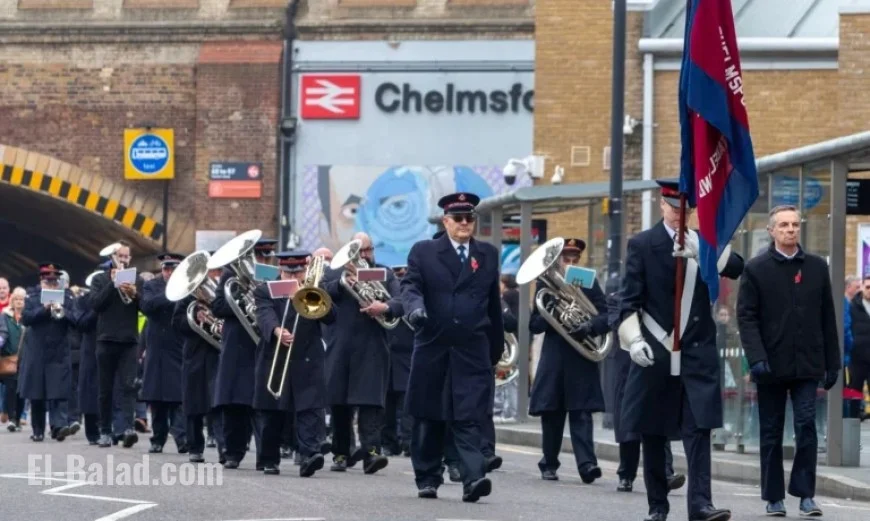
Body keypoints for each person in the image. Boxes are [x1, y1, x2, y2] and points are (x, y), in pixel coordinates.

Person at [615, 179, 743, 521]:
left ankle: (700, 504)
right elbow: (628, 302)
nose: (678, 214)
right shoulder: (643, 244)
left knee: (699, 430)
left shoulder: (704, 243)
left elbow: (737, 266)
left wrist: (705, 252)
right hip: (655, 352)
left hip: (696, 352)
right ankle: (658, 505)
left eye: (684, 208)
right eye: (672, 207)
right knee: (653, 432)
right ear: (661, 204)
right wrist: (634, 339)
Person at [736, 204, 839, 517]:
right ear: (772, 231)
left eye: (795, 224)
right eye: (783, 225)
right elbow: (746, 317)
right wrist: (756, 359)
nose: (790, 230)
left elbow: (827, 317)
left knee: (807, 426)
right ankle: (773, 497)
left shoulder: (817, 267)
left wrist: (832, 363)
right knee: (771, 431)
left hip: (807, 364)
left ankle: (806, 494)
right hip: (771, 365)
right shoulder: (756, 268)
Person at [401, 191, 504, 502]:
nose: (464, 223)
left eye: (469, 218)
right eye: (458, 218)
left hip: (472, 348)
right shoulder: (424, 251)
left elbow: (492, 306)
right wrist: (414, 308)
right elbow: (411, 286)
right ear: (445, 221)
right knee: (429, 416)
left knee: (470, 416)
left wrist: (494, 350)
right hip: (434, 345)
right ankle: (428, 477)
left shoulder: (487, 254)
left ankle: (473, 479)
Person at [529, 238, 609, 483]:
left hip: (580, 357)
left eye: (575, 258)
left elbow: (605, 314)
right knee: (551, 413)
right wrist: (551, 308)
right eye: (566, 258)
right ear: (558, 260)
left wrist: (589, 326)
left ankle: (587, 465)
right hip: (555, 357)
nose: (571, 262)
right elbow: (535, 324)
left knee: (581, 413)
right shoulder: (545, 283)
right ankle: (549, 463)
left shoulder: (588, 280)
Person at [323, 232, 400, 474]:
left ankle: (372, 454)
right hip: (340, 346)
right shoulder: (335, 272)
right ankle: (340, 453)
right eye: (360, 251)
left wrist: (384, 306)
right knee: (339, 403)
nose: (365, 255)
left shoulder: (385, 273)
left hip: (373, 346)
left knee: (371, 404)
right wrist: (343, 283)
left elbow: (401, 301)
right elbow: (321, 294)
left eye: (368, 250)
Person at [253, 250, 334, 477]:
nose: (293, 277)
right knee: (272, 411)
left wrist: (308, 296)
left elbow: (331, 316)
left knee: (309, 407)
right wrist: (277, 331)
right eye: (289, 272)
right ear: (280, 270)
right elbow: (264, 314)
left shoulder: (315, 288)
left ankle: (310, 456)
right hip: (276, 354)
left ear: (305, 270)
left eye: (297, 271)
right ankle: (269, 458)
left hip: (308, 356)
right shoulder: (265, 289)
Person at [86, 241, 141, 448]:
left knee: (129, 386)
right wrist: (113, 284)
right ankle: (106, 431)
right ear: (112, 257)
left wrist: (134, 293)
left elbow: (143, 305)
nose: (123, 260)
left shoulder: (136, 279)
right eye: (120, 256)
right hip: (106, 339)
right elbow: (96, 304)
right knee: (105, 389)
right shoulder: (100, 279)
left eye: (127, 257)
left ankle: (128, 428)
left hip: (129, 341)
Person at [19, 263, 77, 442]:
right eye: (48, 281)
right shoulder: (32, 295)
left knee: (58, 391)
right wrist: (44, 309)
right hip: (37, 350)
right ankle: (38, 430)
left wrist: (62, 310)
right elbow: (26, 318)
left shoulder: (66, 295)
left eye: (54, 281)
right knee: (37, 392)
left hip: (58, 350)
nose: (51, 284)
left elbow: (75, 320)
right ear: (41, 280)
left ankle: (58, 427)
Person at [140, 253, 188, 454]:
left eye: (173, 269)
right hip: (158, 347)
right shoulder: (152, 286)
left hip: (179, 344)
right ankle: (157, 439)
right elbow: (147, 306)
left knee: (178, 396)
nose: (169, 272)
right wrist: (172, 292)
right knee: (157, 397)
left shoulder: (188, 285)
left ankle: (182, 438)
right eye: (167, 269)